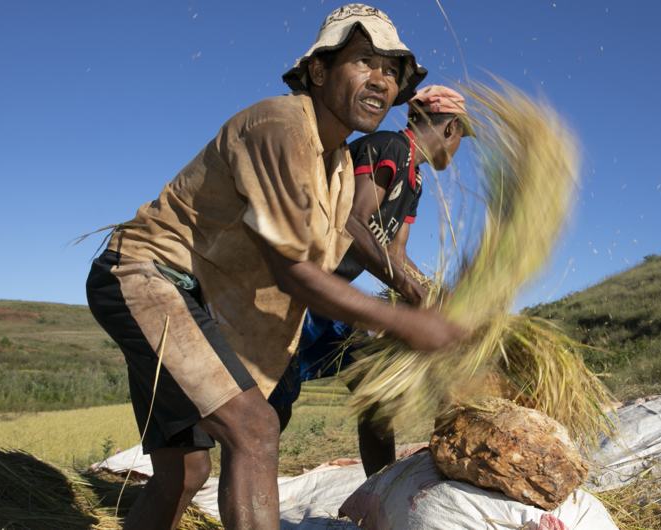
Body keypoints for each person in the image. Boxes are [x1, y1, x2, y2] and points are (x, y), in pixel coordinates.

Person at [85, 5, 463, 529]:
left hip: (199, 302)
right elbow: (295, 270)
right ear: (318, 71)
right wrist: (407, 321)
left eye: (391, 71)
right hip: (145, 276)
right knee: (255, 429)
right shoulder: (280, 125)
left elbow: (333, 258)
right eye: (363, 61)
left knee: (186, 471)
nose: (381, 80)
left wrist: (418, 293)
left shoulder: (334, 168)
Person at [267, 85, 473, 477]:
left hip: (329, 301)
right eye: (462, 136)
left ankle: (381, 492)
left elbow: (395, 254)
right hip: (302, 289)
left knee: (374, 391)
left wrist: (433, 294)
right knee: (271, 405)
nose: (460, 146)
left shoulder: (414, 181)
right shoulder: (390, 149)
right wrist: (414, 294)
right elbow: (353, 221)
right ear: (451, 129)